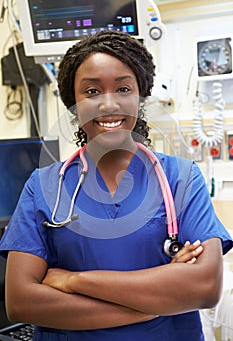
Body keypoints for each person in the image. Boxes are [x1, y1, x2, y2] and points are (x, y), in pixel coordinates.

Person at [0, 30, 232, 341]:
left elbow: (205, 288)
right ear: (73, 102)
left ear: (141, 95)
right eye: (92, 91)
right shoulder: (43, 186)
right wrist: (154, 304)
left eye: (123, 88)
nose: (109, 104)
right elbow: (21, 302)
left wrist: (72, 281)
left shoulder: (181, 178)